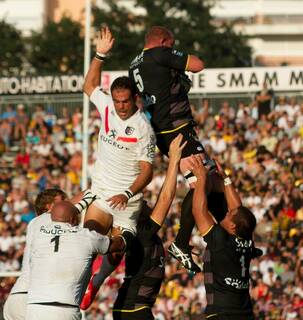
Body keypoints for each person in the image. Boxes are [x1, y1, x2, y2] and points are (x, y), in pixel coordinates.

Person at [129, 25, 216, 272]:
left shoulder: (133, 63)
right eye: (171, 44)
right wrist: (175, 61)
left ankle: (198, 238)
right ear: (164, 41)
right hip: (176, 128)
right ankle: (181, 242)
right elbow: (198, 64)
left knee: (210, 178)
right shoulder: (159, 53)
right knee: (202, 180)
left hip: (161, 130)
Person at [81, 25, 155, 309]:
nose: (121, 107)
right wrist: (100, 54)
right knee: (89, 236)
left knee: (117, 248)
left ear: (134, 99)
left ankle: (96, 284)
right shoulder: (107, 107)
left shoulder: (142, 128)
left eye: (126, 102)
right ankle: (81, 282)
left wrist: (127, 192)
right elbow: (89, 86)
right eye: (117, 101)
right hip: (102, 192)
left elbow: (147, 171)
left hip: (128, 200)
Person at [112, 134, 186, 320]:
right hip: (133, 310)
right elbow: (166, 198)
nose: (146, 202)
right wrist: (174, 161)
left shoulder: (141, 231)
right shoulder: (141, 232)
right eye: (142, 201)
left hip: (133, 307)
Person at [25, 200, 129, 320]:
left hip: (33, 309)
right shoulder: (85, 236)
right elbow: (118, 245)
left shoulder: (36, 230)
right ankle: (98, 279)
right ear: (73, 219)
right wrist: (128, 229)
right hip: (65, 310)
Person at [190, 155, 258, 320]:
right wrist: (226, 179)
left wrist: (201, 179)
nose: (226, 213)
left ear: (233, 226)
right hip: (245, 313)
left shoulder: (221, 241)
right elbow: (238, 210)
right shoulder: (247, 240)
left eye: (229, 215)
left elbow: (199, 211)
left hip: (222, 313)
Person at [3, 188, 67, 320]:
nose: (66, 205)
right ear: (49, 207)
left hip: (20, 297)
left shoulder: (38, 225)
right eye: (62, 202)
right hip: (34, 300)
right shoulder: (44, 219)